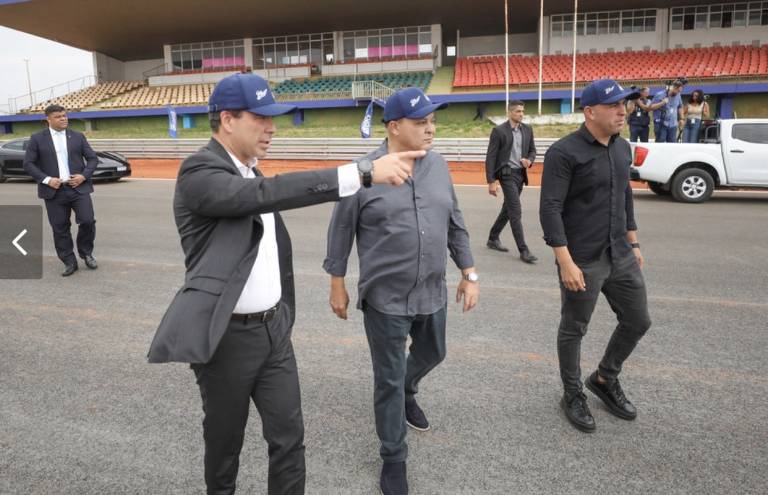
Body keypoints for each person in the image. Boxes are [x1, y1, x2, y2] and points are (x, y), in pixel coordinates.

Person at [147, 73, 422, 495]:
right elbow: (263, 194)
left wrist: (284, 316)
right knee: (225, 447)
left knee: (289, 441)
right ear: (228, 119)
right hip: (226, 341)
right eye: (261, 118)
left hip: (274, 332)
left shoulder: (249, 172)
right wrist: (361, 172)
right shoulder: (199, 172)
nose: (272, 127)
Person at [323, 87, 478, 495]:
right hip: (385, 299)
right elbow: (340, 231)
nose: (431, 129)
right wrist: (336, 283)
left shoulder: (439, 166)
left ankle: (409, 390)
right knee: (387, 379)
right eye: (421, 122)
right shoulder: (364, 171)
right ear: (394, 127)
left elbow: (455, 220)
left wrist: (469, 271)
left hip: (431, 290)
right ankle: (394, 457)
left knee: (434, 352)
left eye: (432, 121)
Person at [540, 79, 652, 433]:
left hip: (619, 252)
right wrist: (565, 261)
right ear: (590, 112)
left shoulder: (622, 149)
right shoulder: (564, 152)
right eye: (615, 105)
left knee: (638, 320)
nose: (623, 111)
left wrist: (633, 243)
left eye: (626, 104)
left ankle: (604, 378)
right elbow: (550, 208)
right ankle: (572, 393)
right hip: (582, 258)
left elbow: (625, 196)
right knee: (574, 328)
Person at [23, 104, 99, 276]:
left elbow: (92, 159)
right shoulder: (37, 139)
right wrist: (48, 180)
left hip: (79, 188)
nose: (63, 119)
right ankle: (69, 261)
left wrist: (83, 176)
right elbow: (28, 164)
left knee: (87, 221)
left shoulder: (78, 137)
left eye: (64, 115)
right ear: (48, 120)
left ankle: (86, 253)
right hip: (54, 191)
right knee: (60, 228)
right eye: (58, 116)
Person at [485, 100, 538, 264]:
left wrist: (529, 160)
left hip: (520, 175)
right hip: (506, 175)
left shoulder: (528, 130)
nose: (521, 114)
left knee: (507, 209)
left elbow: (532, 150)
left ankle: (493, 238)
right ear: (509, 113)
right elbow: (491, 157)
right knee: (515, 210)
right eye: (517, 111)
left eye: (522, 111)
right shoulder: (499, 131)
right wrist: (491, 181)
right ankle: (524, 250)